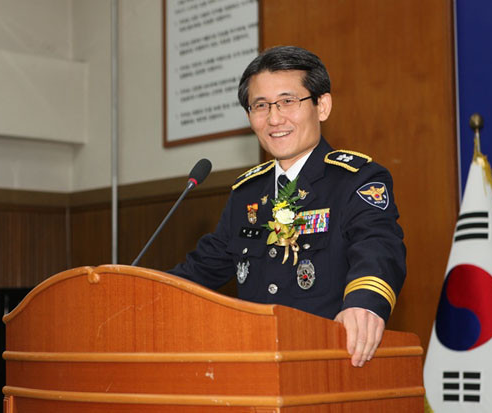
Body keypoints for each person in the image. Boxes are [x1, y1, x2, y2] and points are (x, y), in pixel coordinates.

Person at [170, 46, 406, 367]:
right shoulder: (246, 194)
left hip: (327, 365)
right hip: (255, 367)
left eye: (288, 101)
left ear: (322, 106)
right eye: (260, 105)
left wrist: (364, 304)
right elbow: (199, 271)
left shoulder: (355, 180)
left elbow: (378, 246)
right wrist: (133, 293)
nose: (274, 118)